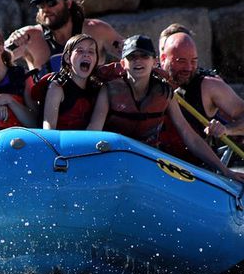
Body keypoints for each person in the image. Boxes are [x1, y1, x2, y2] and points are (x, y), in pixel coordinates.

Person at [87, 34, 243, 181]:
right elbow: (94, 130)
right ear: (123, 63)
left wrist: (225, 170)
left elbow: (189, 136)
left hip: (149, 162)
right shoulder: (109, 90)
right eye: (132, 57)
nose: (138, 61)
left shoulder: (165, 93)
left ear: (154, 62)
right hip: (116, 158)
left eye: (144, 56)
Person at [159, 31, 244, 162]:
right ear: (163, 58)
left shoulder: (209, 86)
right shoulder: (150, 79)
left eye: (193, 61)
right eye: (181, 61)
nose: (188, 68)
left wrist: (227, 129)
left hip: (198, 169)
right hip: (155, 160)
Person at [6, 0, 123, 74]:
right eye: (41, 5)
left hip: (90, 100)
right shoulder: (28, 37)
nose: (46, 9)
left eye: (52, 3)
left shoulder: (96, 30)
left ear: (68, 3)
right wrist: (11, 50)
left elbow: (132, 53)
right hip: (45, 101)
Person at [41, 34, 102, 130]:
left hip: (85, 142)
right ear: (67, 58)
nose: (86, 54)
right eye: (80, 51)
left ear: (96, 60)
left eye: (91, 51)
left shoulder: (97, 89)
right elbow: (48, 128)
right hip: (59, 142)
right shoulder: (57, 88)